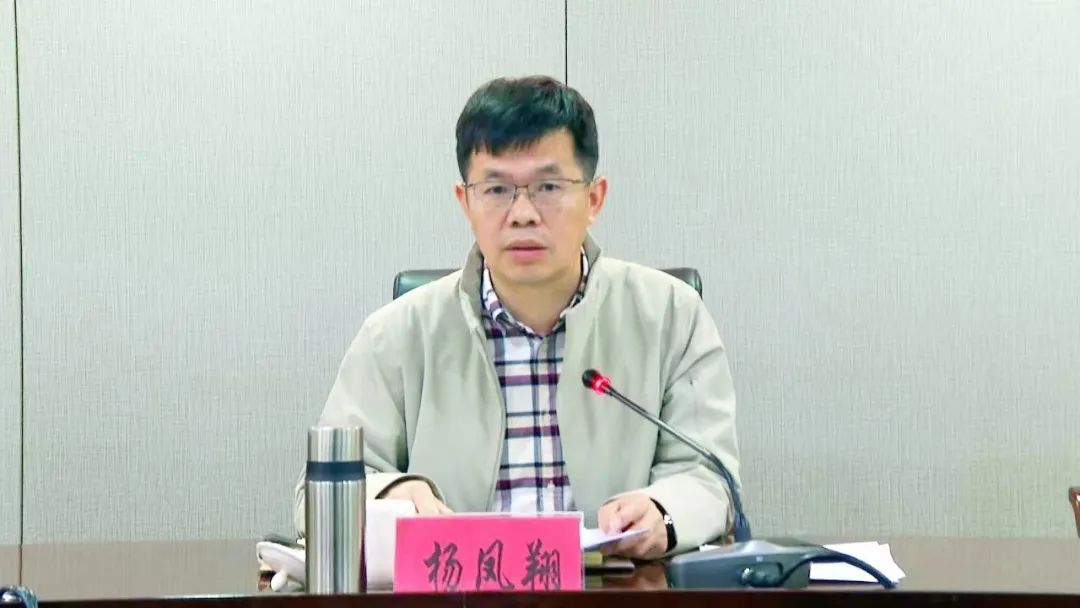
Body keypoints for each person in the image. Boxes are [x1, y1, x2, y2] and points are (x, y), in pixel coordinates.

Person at [294, 75, 742, 559]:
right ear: (465, 202)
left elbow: (709, 476)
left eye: (548, 186)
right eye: (497, 189)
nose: (523, 213)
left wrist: (662, 512)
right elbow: (319, 499)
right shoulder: (397, 335)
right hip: (457, 591)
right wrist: (391, 494)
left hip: (617, 587)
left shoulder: (671, 315)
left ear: (594, 198)